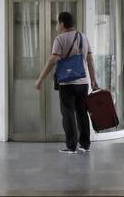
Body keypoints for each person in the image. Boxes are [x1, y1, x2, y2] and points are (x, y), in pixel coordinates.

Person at [34, 10, 98, 154]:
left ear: (62, 23)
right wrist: (93, 79)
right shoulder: (83, 37)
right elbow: (90, 60)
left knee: (68, 113)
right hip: (83, 82)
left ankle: (71, 146)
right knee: (82, 113)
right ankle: (85, 144)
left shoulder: (60, 39)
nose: (57, 26)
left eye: (58, 23)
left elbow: (52, 60)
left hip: (67, 84)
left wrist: (40, 79)